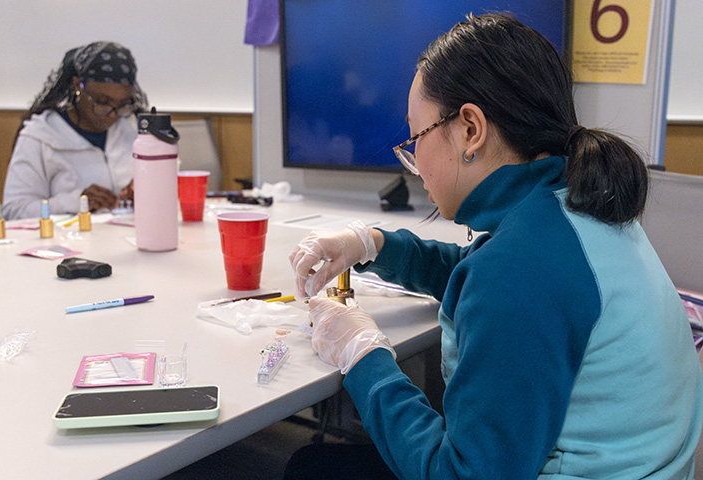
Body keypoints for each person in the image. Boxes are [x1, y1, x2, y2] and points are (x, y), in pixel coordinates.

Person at [286, 13, 703, 480]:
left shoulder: (520, 267)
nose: (412, 160)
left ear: (470, 130)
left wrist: (362, 356)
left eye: (415, 137)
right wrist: (373, 244)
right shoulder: (572, 205)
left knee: (311, 467)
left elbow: (462, 474)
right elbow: (475, 274)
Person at [2, 41, 147, 220]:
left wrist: (148, 190)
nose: (112, 114)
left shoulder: (134, 129)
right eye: (101, 102)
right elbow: (13, 210)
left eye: (123, 104)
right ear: (78, 85)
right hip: (68, 243)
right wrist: (73, 202)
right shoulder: (41, 136)